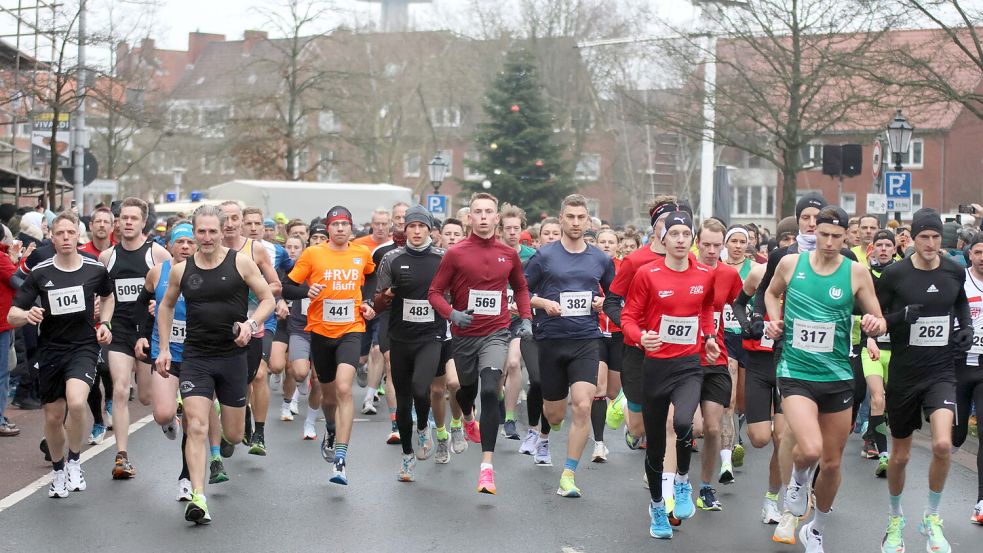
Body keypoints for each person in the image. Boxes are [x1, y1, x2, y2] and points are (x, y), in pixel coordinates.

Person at [763, 205, 886, 552]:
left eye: (836, 236)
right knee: (811, 448)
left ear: (846, 236)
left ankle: (815, 528)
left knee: (831, 463)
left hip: (838, 375)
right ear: (814, 232)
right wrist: (774, 320)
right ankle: (799, 481)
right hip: (796, 371)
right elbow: (771, 293)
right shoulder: (791, 265)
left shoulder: (856, 273)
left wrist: (875, 326)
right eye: (824, 234)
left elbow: (877, 317)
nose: (829, 242)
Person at [155, 205, 275, 524]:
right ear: (193, 233)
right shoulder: (183, 270)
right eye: (201, 231)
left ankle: (226, 425)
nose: (206, 238)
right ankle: (198, 496)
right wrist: (165, 348)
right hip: (196, 357)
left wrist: (250, 324)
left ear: (223, 231)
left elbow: (268, 299)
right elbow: (165, 306)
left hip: (233, 356)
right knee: (195, 424)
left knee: (234, 435)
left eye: (212, 231)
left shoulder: (241, 262)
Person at [876, 209, 972, 553]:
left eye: (935, 237)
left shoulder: (954, 271)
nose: (931, 244)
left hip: (941, 371)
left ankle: (931, 518)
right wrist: (900, 317)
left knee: (943, 444)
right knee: (899, 457)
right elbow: (875, 318)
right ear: (912, 240)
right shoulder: (894, 275)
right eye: (924, 237)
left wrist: (967, 330)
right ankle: (895, 518)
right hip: (904, 374)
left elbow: (959, 304)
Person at [620, 210, 719, 539]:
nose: (679, 240)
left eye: (684, 234)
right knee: (656, 447)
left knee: (683, 423)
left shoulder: (704, 274)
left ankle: (681, 482)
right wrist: (640, 337)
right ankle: (657, 508)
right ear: (662, 238)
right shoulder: (647, 274)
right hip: (656, 367)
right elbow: (629, 317)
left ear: (692, 238)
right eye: (673, 234)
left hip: (689, 365)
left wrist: (708, 337)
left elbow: (706, 308)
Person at [428, 192, 533, 495]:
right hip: (464, 336)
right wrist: (453, 313)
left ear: (497, 218)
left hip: (496, 333)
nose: (484, 217)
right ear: (470, 218)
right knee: (465, 390)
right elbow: (435, 292)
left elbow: (521, 288)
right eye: (478, 212)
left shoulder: (508, 253)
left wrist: (525, 318)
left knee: (490, 389)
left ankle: (486, 468)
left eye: (490, 211)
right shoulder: (456, 253)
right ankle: (469, 417)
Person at [8, 211, 115, 498]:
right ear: (52, 238)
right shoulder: (41, 272)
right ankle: (57, 470)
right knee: (53, 416)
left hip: (83, 347)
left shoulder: (94, 269)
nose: (66, 238)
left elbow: (108, 297)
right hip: (51, 349)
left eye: (70, 233)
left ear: (78, 236)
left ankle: (74, 462)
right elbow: (13, 313)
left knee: (77, 403)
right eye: (60, 233)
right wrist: (28, 314)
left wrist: (105, 323)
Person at [523, 194, 615, 498]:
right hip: (550, 341)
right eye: (570, 217)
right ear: (561, 219)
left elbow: (616, 298)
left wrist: (604, 303)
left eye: (581, 218)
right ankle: (549, 428)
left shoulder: (600, 259)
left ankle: (568, 474)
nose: (576, 223)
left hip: (586, 340)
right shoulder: (544, 256)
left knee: (584, 405)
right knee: (555, 415)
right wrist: (544, 302)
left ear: (588, 221)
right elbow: (522, 295)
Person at [283, 206, 376, 486]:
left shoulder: (361, 253)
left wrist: (368, 302)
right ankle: (331, 428)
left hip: (351, 329)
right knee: (328, 397)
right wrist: (305, 291)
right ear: (328, 229)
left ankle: (340, 459)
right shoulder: (313, 254)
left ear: (351, 228)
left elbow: (371, 277)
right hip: (321, 333)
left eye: (344, 224)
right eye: (334, 225)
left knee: (345, 388)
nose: (339, 229)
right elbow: (287, 287)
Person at [373, 205, 451, 480]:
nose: (416, 232)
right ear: (404, 229)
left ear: (430, 229)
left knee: (422, 388)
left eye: (422, 226)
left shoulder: (444, 258)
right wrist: (392, 292)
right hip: (400, 337)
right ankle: (407, 455)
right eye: (412, 226)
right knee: (403, 403)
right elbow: (378, 300)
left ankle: (424, 429)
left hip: (431, 335)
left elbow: (453, 294)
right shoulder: (392, 258)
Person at [99, 197, 171, 480]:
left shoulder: (158, 254)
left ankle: (169, 408)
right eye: (123, 218)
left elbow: (172, 288)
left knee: (145, 398)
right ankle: (121, 457)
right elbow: (103, 294)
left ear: (143, 223)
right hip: (119, 330)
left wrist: (160, 303)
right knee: (118, 388)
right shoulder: (107, 257)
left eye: (133, 218)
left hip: (148, 332)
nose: (127, 222)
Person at [218, 201, 281, 455]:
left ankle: (259, 432)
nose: (230, 223)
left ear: (241, 221)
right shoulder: (212, 248)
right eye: (226, 218)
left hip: (254, 323)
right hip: (221, 327)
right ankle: (236, 422)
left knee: (257, 375)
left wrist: (256, 288)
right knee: (232, 380)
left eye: (235, 218)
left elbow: (276, 286)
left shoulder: (255, 250)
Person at [693, 219, 742, 509]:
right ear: (697, 243)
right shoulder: (684, 269)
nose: (712, 250)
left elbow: (739, 308)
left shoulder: (727, 275)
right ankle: (674, 475)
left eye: (717, 245)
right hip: (684, 358)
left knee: (712, 428)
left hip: (716, 358)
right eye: (707, 244)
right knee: (691, 426)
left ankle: (706, 487)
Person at [860, 229, 898, 476]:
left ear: (895, 249)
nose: (884, 249)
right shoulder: (864, 275)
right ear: (872, 248)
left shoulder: (904, 275)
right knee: (877, 397)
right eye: (879, 245)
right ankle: (883, 454)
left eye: (888, 245)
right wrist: (869, 337)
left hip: (897, 350)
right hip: (871, 347)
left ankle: (873, 431)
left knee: (890, 404)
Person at [499, 203, 537, 441]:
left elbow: (537, 288)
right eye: (507, 228)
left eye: (516, 228)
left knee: (514, 364)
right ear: (500, 230)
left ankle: (510, 419)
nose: (512, 232)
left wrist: (526, 305)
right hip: (493, 320)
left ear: (521, 229)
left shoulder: (532, 257)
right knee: (495, 374)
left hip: (517, 321)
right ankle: (500, 399)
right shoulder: (491, 252)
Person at [955, 233, 983, 524]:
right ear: (969, 254)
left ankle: (981, 501)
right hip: (959, 365)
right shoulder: (959, 280)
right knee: (956, 434)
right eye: (979, 252)